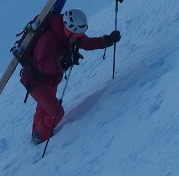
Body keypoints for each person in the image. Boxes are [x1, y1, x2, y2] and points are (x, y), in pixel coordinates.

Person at [19, 8, 121, 144]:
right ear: (68, 28)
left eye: (80, 34)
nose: (79, 37)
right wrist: (61, 62)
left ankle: (35, 132)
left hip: (50, 80)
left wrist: (107, 40)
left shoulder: (72, 35)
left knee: (44, 108)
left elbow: (88, 43)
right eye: (77, 34)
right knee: (56, 112)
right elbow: (41, 64)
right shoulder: (48, 39)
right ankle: (40, 137)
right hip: (35, 82)